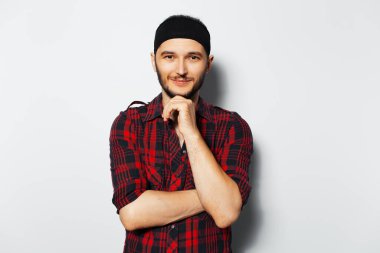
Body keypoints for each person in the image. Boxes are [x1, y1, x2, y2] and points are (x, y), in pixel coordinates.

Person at [109, 14, 254, 253]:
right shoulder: (129, 123)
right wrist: (213, 197)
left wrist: (191, 132)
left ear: (208, 63)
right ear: (154, 61)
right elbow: (133, 214)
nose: (181, 70)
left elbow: (226, 214)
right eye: (169, 57)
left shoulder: (232, 127)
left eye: (193, 58)